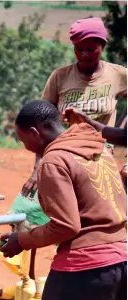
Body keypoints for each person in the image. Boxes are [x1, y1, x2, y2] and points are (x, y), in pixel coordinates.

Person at [0, 100, 127, 300]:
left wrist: (22, 240)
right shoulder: (98, 148)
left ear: (34, 132)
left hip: (85, 269)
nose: (25, 147)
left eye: (23, 140)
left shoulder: (54, 161)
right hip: (122, 261)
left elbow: (66, 226)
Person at [22, 17, 127, 199]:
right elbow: (41, 123)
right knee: (46, 209)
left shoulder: (118, 75)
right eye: (79, 49)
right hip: (63, 156)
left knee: (95, 211)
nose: (84, 54)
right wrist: (38, 167)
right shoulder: (60, 77)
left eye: (91, 49)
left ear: (103, 46)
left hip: (99, 156)